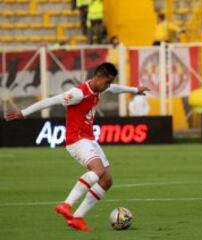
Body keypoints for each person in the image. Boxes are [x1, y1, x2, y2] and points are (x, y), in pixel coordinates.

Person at [5, 62, 149, 231]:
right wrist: (24, 113)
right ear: (99, 77)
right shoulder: (78, 93)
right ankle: (66, 204)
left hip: (89, 138)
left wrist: (135, 90)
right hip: (76, 139)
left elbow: (115, 88)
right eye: (107, 82)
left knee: (107, 180)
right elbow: (52, 100)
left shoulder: (99, 88)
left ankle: (77, 218)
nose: (108, 86)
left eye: (110, 83)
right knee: (98, 171)